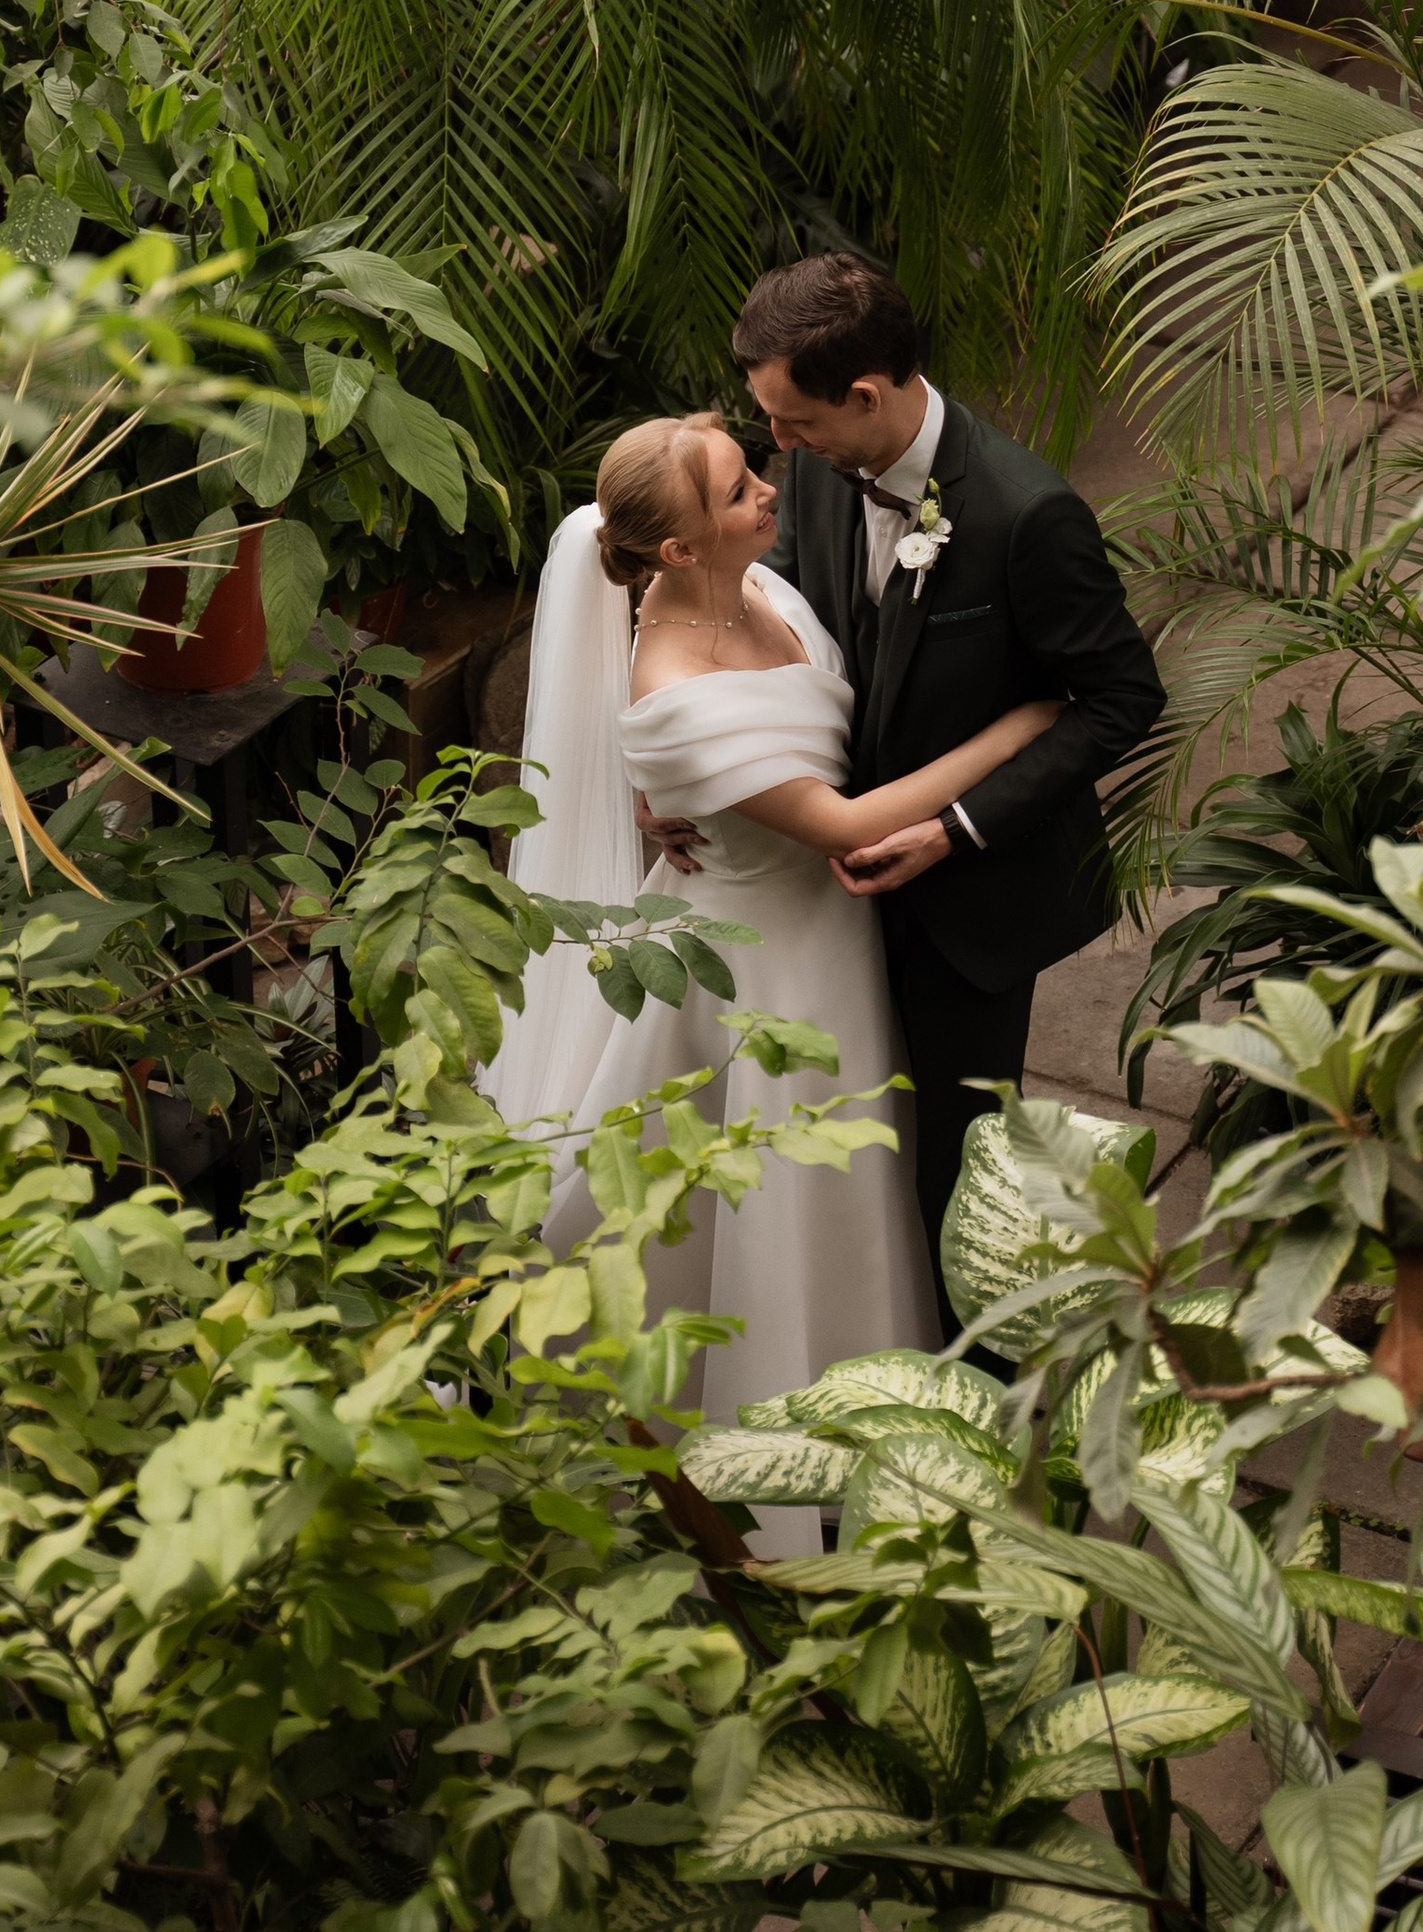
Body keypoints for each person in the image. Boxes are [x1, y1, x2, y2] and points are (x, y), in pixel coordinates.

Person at [488, 413, 1062, 1517]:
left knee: (851, 1183)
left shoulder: (754, 587)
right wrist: (1019, 729)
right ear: (678, 551)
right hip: (761, 973)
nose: (770, 488)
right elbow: (845, 825)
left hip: (829, 944)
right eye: (738, 487)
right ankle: (781, 1459)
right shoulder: (672, 689)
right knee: (785, 1201)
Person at [704, 257, 1166, 1334]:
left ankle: (983, 1397)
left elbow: (1119, 696)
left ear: (865, 395)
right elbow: (784, 631)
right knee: (845, 1140)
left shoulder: (1026, 514)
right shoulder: (817, 470)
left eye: (792, 417)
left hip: (969, 903)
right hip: (819, 885)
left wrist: (955, 827)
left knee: (961, 1177)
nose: (777, 446)